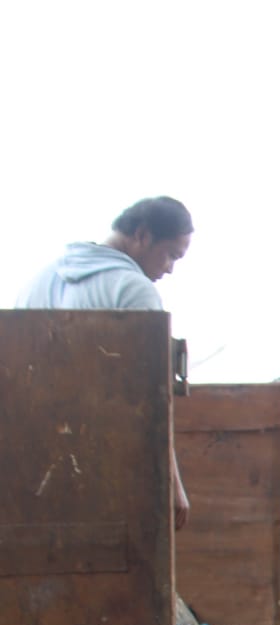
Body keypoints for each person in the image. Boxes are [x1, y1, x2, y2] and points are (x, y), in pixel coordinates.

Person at [18, 196, 193, 529]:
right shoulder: (134, 290)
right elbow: (152, 397)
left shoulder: (38, 281)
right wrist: (173, 483)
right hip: (104, 468)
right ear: (142, 235)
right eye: (171, 254)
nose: (169, 268)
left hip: (31, 471)